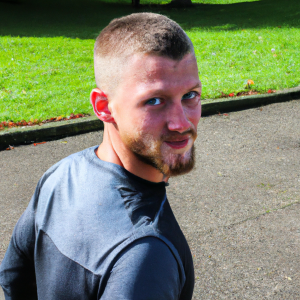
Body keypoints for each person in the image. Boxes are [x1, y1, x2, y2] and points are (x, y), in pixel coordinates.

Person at [0, 12, 202, 300]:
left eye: (190, 95)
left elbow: (12, 281)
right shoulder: (147, 254)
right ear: (104, 106)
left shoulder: (60, 175)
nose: (182, 123)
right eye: (154, 101)